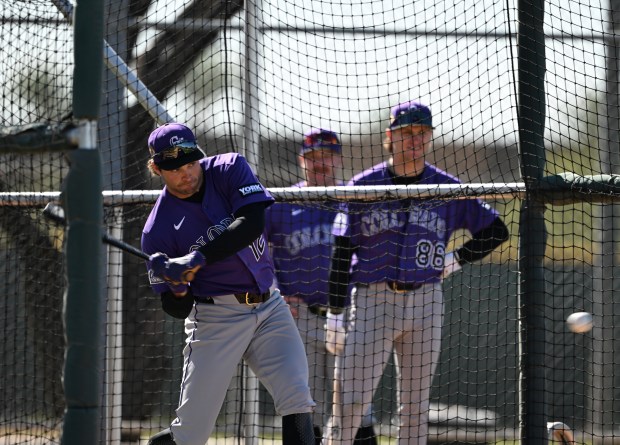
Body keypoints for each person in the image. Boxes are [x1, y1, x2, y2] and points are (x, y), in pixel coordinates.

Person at [323, 101, 510, 445]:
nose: (414, 139)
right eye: (406, 133)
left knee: (414, 410)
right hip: (372, 300)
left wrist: (455, 259)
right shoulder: (364, 185)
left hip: (426, 301)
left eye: (422, 133)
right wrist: (335, 313)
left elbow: (497, 230)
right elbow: (342, 250)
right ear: (389, 138)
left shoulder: (446, 186)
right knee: (350, 403)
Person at [140, 122, 316, 445]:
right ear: (156, 169)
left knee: (297, 397)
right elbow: (174, 306)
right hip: (216, 318)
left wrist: (196, 259)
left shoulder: (229, 167)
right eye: (175, 168)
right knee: (191, 435)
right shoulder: (157, 231)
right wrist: (178, 285)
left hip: (269, 306)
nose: (187, 173)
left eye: (190, 162)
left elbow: (252, 222)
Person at [265, 129, 378, 445]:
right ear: (302, 161)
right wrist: (273, 290)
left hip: (352, 315)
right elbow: (256, 250)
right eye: (313, 157)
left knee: (356, 402)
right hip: (300, 317)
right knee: (303, 404)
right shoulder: (283, 203)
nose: (321, 164)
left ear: (338, 159)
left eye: (327, 156)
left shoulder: (354, 199)